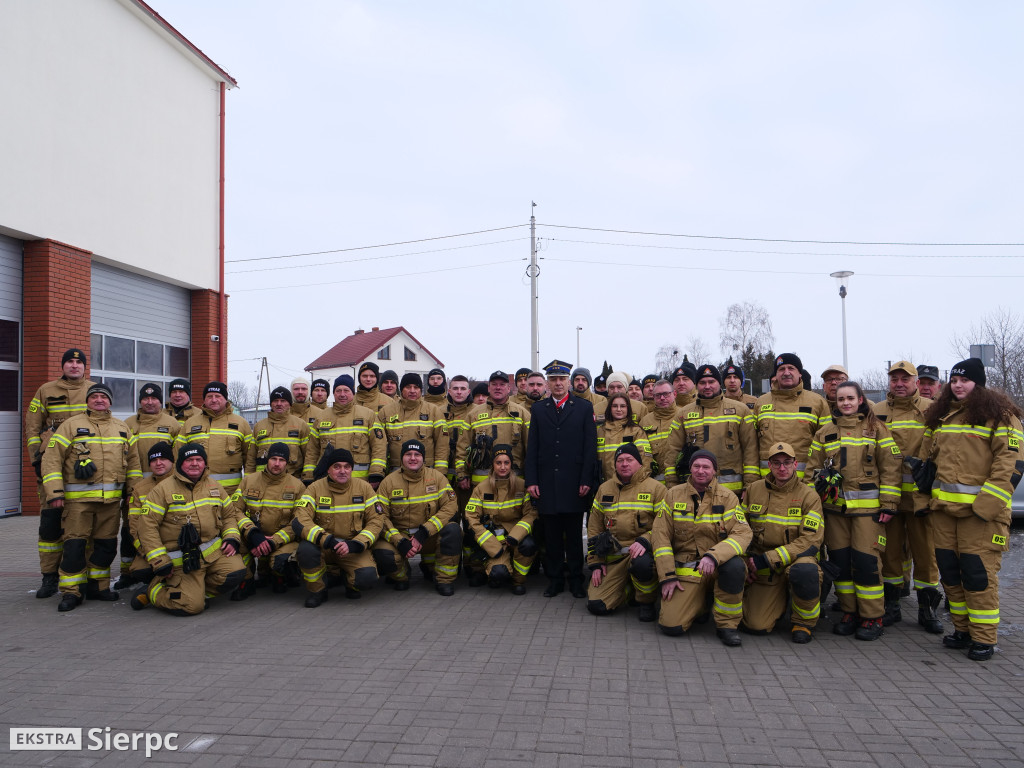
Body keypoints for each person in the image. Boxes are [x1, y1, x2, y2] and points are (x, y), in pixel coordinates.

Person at [920, 358, 1023, 661]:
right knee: (951, 576)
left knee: (978, 578)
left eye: (965, 380)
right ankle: (962, 630)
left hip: (980, 518)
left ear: (978, 383)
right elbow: (932, 463)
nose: (958, 385)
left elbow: (1011, 466)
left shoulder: (1001, 417)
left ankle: (984, 638)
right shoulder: (946, 417)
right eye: (954, 380)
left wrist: (984, 508)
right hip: (944, 513)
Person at [807, 381, 902, 641]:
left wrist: (889, 504)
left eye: (850, 398)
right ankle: (849, 612)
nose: (846, 403)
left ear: (861, 400)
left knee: (866, 563)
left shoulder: (877, 429)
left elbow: (891, 468)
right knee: (840, 565)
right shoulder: (824, 432)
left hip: (869, 513)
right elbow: (811, 470)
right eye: (841, 399)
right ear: (835, 403)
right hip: (834, 512)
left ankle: (872, 617)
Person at [40, 383, 142, 611]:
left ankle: (98, 586)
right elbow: (51, 460)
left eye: (103, 397)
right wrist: (55, 492)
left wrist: (132, 494)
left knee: (105, 547)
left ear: (110, 402)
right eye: (94, 396)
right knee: (75, 546)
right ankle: (72, 592)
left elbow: (134, 465)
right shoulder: (71, 426)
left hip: (111, 503)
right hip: (78, 503)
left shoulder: (122, 429)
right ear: (87, 401)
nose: (99, 400)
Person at [130, 444, 247, 615]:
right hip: (182, 561)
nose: (194, 464)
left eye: (199, 460)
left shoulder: (214, 486)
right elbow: (147, 527)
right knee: (192, 607)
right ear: (180, 464)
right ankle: (152, 591)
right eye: (189, 460)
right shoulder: (162, 490)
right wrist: (159, 561)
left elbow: (229, 515)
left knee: (237, 571)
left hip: (212, 555)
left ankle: (195, 593)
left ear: (204, 463)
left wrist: (231, 538)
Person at [652, 450, 751, 645]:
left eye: (706, 467)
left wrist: (713, 556)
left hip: (716, 567)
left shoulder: (728, 498)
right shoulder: (673, 495)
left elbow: (742, 533)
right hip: (687, 570)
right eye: (696, 466)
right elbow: (660, 536)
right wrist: (667, 576)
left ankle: (727, 626)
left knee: (735, 568)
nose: (701, 471)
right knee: (671, 626)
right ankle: (701, 605)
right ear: (690, 468)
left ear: (714, 470)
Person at [872, 361, 942, 632]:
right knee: (890, 555)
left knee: (926, 556)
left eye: (905, 379)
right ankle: (892, 608)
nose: (899, 383)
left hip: (920, 499)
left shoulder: (932, 411)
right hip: (888, 499)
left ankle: (927, 611)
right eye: (894, 379)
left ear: (915, 382)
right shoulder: (876, 412)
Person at [525, 359, 599, 598]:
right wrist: (532, 481)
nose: (558, 384)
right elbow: (533, 448)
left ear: (569, 381)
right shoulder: (538, 409)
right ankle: (555, 579)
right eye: (553, 379)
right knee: (552, 536)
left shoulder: (584, 408)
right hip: (547, 482)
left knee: (575, 536)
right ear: (548, 383)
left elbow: (590, 448)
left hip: (575, 482)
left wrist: (586, 479)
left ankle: (576, 579)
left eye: (561, 379)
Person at [25, 347, 94, 598]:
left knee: (82, 524)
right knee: (50, 525)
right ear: (63, 365)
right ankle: (49, 577)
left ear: (85, 367)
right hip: (51, 466)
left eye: (79, 362)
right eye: (70, 362)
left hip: (83, 467)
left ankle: (80, 575)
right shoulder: (45, 390)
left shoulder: (94, 390)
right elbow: (32, 428)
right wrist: (36, 460)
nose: (74, 366)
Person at [741, 442, 824, 643]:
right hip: (763, 566)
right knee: (756, 626)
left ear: (796, 464)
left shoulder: (809, 496)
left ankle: (803, 623)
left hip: (797, 561)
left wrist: (768, 559)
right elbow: (740, 529)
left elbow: (811, 540)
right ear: (769, 466)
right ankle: (780, 600)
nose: (782, 468)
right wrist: (745, 563)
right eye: (776, 463)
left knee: (804, 572)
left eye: (787, 462)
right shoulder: (754, 490)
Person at [293, 447, 383, 607]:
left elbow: (376, 521)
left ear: (351, 469)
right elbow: (300, 519)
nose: (342, 471)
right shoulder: (314, 488)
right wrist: (325, 540)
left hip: (351, 547)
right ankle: (318, 590)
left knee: (367, 578)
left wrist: (355, 544)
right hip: (324, 546)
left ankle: (350, 583)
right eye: (337, 466)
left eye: (347, 466)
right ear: (328, 469)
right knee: (306, 550)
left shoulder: (364, 488)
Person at [586, 444, 665, 621]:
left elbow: (665, 526)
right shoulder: (604, 489)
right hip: (614, 557)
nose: (624, 464)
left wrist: (645, 540)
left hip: (641, 552)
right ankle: (627, 588)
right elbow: (594, 527)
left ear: (639, 463)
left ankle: (646, 602)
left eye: (629, 460)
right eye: (620, 460)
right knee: (597, 605)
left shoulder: (656, 489)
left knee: (643, 565)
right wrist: (596, 562)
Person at [374, 440, 461, 595]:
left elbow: (451, 506)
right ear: (401, 458)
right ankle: (401, 576)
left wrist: (424, 532)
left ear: (423, 458)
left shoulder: (437, 478)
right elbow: (380, 517)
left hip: (429, 537)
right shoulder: (388, 482)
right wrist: (399, 541)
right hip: (402, 539)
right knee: (381, 551)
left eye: (417, 454)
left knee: (453, 530)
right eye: (408, 454)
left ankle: (444, 580)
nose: (413, 458)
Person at [120, 382, 180, 588]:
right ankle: (126, 572)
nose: (149, 402)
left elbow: (178, 458)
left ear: (160, 401)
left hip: (166, 485)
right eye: (145, 398)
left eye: (154, 398)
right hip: (136, 489)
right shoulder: (127, 424)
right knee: (130, 528)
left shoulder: (173, 424)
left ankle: (163, 563)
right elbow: (123, 459)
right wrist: (129, 489)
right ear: (140, 401)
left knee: (164, 525)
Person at [663, 365, 758, 493]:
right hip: (694, 490)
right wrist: (672, 484)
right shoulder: (683, 414)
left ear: (719, 383)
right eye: (702, 382)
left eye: (711, 382)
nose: (707, 386)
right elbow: (672, 450)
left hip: (733, 491)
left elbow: (750, 449)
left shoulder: (741, 410)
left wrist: (750, 486)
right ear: (697, 385)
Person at [229, 442, 307, 597]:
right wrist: (252, 534)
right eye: (273, 459)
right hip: (252, 536)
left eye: (282, 460)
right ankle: (247, 581)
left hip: (281, 540)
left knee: (281, 561)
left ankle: (279, 577)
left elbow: (299, 521)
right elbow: (235, 510)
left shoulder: (298, 486)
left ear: (287, 463)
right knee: (235, 542)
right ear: (267, 459)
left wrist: (274, 541)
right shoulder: (248, 481)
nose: (277, 464)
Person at [463, 444, 538, 594]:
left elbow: (531, 514)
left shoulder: (522, 486)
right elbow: (471, 516)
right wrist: (490, 544)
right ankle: (494, 571)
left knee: (528, 545)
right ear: (493, 465)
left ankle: (518, 580)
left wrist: (515, 536)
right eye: (498, 463)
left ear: (511, 464)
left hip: (514, 537)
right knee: (499, 574)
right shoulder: (481, 488)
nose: (502, 467)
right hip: (493, 539)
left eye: (506, 463)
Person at [754, 353, 830, 479]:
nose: (786, 372)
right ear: (776, 374)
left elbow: (827, 444)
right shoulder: (761, 402)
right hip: (767, 482)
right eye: (781, 369)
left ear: (800, 373)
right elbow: (752, 445)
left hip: (804, 482)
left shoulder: (817, 403)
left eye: (791, 368)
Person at [302, 374, 386, 486]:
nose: (342, 394)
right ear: (333, 394)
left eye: (346, 390)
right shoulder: (321, 417)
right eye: (338, 391)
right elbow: (312, 451)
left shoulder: (368, 415)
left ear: (353, 393)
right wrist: (308, 476)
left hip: (361, 483)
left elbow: (379, 446)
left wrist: (376, 474)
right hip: (327, 483)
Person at [456, 370, 530, 489]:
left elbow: (531, 448)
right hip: (482, 484)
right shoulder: (473, 414)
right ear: (489, 388)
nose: (498, 388)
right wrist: (462, 474)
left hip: (515, 483)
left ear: (508, 388)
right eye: (494, 384)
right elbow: (462, 447)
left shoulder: (522, 414)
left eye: (502, 385)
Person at [177, 381, 253, 495]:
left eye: (218, 396)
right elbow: (177, 455)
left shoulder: (241, 424)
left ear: (225, 399)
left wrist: (248, 485)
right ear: (204, 399)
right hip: (196, 488)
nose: (213, 400)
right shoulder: (190, 423)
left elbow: (249, 458)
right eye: (209, 396)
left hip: (231, 491)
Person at [124, 442, 175, 584]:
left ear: (172, 460)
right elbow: (134, 526)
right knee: (140, 571)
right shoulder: (140, 489)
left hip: (179, 543)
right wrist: (147, 552)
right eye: (153, 460)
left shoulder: (183, 481)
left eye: (163, 459)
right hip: (152, 545)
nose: (158, 463)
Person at [379, 373, 449, 473]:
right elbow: (379, 444)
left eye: (416, 387)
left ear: (421, 390)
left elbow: (442, 444)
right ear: (401, 389)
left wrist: (441, 472)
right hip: (396, 471)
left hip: (426, 470)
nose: (412, 391)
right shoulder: (386, 412)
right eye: (408, 387)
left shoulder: (433, 411)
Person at [246, 386, 310, 478]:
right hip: (262, 481)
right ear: (271, 404)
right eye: (275, 401)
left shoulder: (301, 425)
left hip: (292, 481)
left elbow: (308, 456)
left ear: (290, 404)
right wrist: (249, 480)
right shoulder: (259, 426)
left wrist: (307, 478)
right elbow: (251, 458)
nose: (279, 404)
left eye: (283, 401)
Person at [597, 394, 651, 482]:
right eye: (615, 406)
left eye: (622, 406)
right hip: (606, 484)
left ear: (628, 408)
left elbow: (645, 459)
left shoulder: (636, 431)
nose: (618, 409)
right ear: (609, 409)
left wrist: (639, 481)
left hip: (631, 484)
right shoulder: (600, 431)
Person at [640, 379, 678, 483]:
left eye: (666, 394)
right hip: (655, 482)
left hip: (682, 480)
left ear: (674, 394)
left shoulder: (683, 415)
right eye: (658, 395)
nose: (662, 398)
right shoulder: (645, 421)